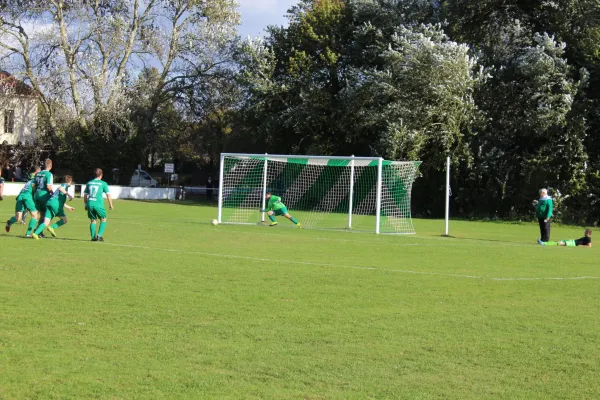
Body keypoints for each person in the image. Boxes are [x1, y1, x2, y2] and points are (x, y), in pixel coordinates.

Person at [5, 171, 39, 235]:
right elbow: (34, 190)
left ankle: (9, 222)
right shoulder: (34, 181)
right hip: (27, 197)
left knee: (18, 217)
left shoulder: (27, 182)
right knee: (35, 215)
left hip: (20, 197)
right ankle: (28, 234)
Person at [84, 168, 113, 242]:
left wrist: (85, 204)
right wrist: (111, 204)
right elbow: (108, 195)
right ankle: (99, 236)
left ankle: (93, 237)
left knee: (93, 221)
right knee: (103, 219)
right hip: (98, 204)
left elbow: (85, 195)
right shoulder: (103, 183)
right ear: (101, 175)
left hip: (90, 203)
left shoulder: (89, 183)